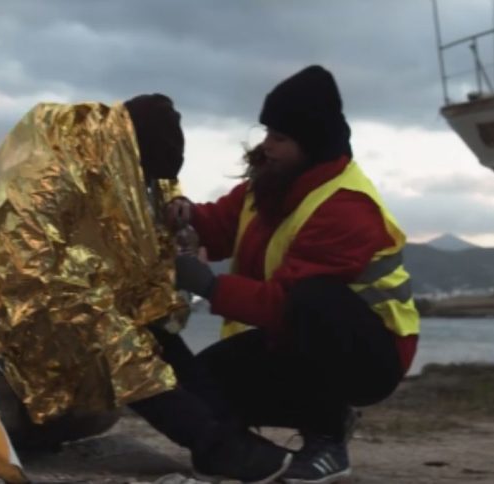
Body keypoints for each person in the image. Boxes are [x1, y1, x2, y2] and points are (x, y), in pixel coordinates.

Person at [0, 94, 292, 483]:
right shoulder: (50, 174)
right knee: (114, 342)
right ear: (131, 158)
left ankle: (228, 435)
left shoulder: (131, 168)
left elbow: (138, 286)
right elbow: (42, 284)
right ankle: (213, 445)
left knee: (153, 329)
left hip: (53, 281)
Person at [166, 65, 421, 483]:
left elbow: (286, 304)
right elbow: (220, 223)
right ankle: (256, 453)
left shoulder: (346, 207)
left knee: (312, 299)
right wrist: (186, 213)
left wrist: (207, 285)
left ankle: (327, 440)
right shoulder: (271, 183)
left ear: (311, 143)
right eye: (267, 133)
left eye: (279, 138)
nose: (266, 147)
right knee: (197, 386)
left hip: (370, 355)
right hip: (294, 338)